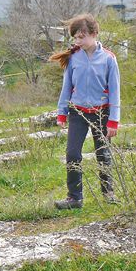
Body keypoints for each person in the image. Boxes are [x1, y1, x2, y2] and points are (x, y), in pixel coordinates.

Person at [48, 14, 120, 209]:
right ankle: (75, 198)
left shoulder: (109, 59)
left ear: (94, 34)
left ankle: (108, 192)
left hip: (102, 114)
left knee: (103, 153)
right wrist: (61, 112)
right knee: (72, 153)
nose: (78, 41)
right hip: (77, 113)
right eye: (75, 38)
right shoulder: (73, 58)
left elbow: (115, 91)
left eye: (81, 37)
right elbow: (66, 87)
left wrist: (114, 120)